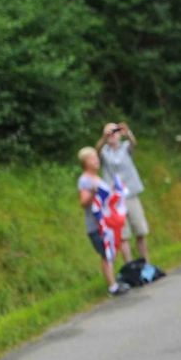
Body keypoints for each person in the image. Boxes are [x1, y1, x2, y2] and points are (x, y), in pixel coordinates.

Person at [77, 147, 130, 296]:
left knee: (110, 253)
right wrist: (93, 193)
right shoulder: (85, 180)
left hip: (107, 224)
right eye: (92, 158)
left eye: (96, 157)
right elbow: (83, 202)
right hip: (96, 225)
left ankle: (114, 282)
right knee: (106, 254)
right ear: (85, 162)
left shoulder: (97, 178)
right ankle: (112, 287)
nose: (96, 160)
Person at [96, 121, 150, 263]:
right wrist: (104, 138)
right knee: (123, 235)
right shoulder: (104, 152)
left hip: (130, 195)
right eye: (109, 132)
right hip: (114, 200)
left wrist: (127, 132)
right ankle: (129, 265)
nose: (112, 135)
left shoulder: (125, 147)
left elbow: (133, 143)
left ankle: (146, 263)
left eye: (114, 132)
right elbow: (96, 152)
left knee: (140, 230)